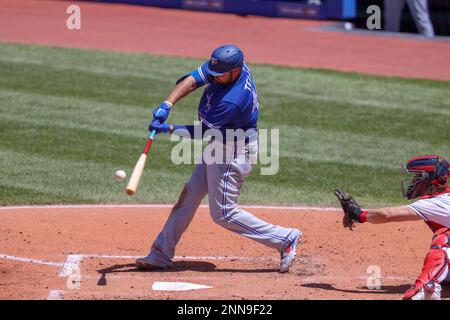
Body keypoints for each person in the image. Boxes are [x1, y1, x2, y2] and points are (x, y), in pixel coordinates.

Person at [135, 44, 302, 273]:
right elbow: (193, 79)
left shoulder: (233, 100)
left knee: (223, 213)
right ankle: (160, 254)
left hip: (234, 151)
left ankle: (285, 238)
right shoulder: (225, 67)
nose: (213, 77)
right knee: (188, 198)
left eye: (219, 75)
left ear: (235, 71)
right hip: (220, 144)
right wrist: (167, 104)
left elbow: (204, 132)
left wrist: (170, 128)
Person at [335, 155, 450, 300]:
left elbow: (387, 215)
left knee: (445, 236)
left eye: (417, 176)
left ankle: (428, 287)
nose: (413, 181)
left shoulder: (437, 202)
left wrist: (359, 214)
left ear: (430, 178)